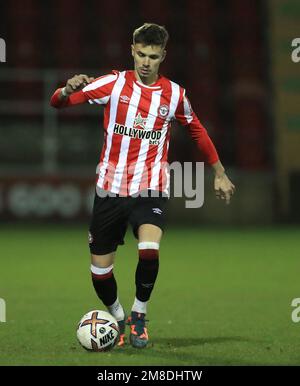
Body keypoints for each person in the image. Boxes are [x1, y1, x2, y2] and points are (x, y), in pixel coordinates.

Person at [50, 23, 235, 349]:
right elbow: (58, 104)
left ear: (162, 56)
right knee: (99, 272)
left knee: (149, 249)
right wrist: (66, 89)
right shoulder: (113, 84)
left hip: (150, 186)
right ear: (132, 51)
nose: (146, 62)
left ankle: (139, 314)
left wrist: (219, 172)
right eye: (141, 55)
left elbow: (197, 131)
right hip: (109, 189)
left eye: (153, 56)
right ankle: (118, 316)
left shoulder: (174, 94)